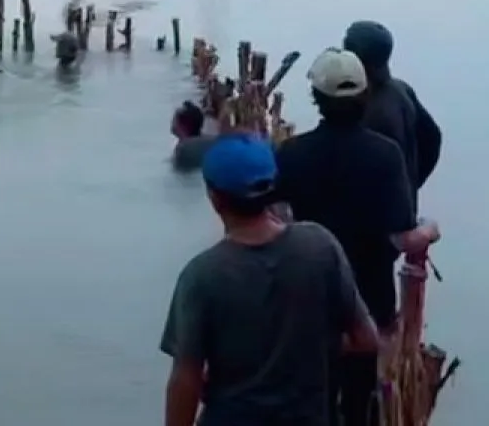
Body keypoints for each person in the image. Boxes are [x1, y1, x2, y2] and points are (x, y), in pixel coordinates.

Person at [161, 133, 379, 426]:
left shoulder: (202, 275)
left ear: (215, 198)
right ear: (272, 188)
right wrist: (304, 349)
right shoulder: (320, 245)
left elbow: (186, 378)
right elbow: (366, 339)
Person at [273, 48, 441, 426]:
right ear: (364, 95)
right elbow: (403, 236)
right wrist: (429, 229)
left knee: (311, 393)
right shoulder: (385, 156)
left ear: (316, 97)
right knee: (360, 401)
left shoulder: (292, 153)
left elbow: (276, 219)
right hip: (369, 295)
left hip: (308, 293)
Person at [341, 21, 442, 195]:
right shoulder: (401, 90)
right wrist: (410, 185)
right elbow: (433, 139)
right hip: (401, 203)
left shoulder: (367, 107)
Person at [170, 100, 216, 171]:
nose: (172, 121)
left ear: (182, 125)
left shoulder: (183, 149)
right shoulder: (211, 141)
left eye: (174, 119)